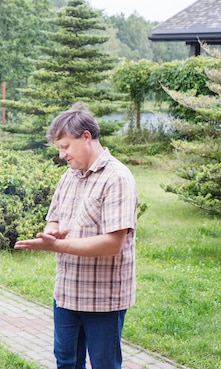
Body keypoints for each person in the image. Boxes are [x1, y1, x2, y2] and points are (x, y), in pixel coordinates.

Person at [14, 104, 138, 369]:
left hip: (104, 297)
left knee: (105, 365)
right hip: (67, 293)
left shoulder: (118, 178)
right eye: (59, 148)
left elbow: (113, 244)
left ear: (85, 137)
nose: (62, 155)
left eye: (65, 146)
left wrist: (58, 245)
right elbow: (54, 218)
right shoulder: (69, 176)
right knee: (66, 362)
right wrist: (51, 233)